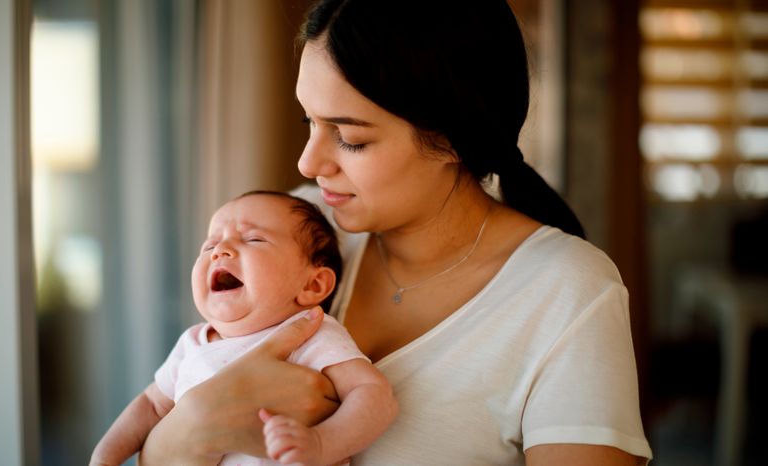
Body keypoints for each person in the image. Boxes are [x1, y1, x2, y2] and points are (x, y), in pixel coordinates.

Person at [139, 1, 653, 465]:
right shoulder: (297, 228)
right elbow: (178, 412)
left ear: (453, 140)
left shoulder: (566, 291)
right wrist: (192, 427)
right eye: (309, 122)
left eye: (350, 138)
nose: (308, 162)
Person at [90, 191, 398, 466]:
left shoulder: (311, 334)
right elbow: (152, 405)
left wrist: (322, 443)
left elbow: (373, 395)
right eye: (210, 244)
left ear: (313, 284)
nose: (219, 250)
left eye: (254, 239)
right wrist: (105, 456)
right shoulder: (194, 342)